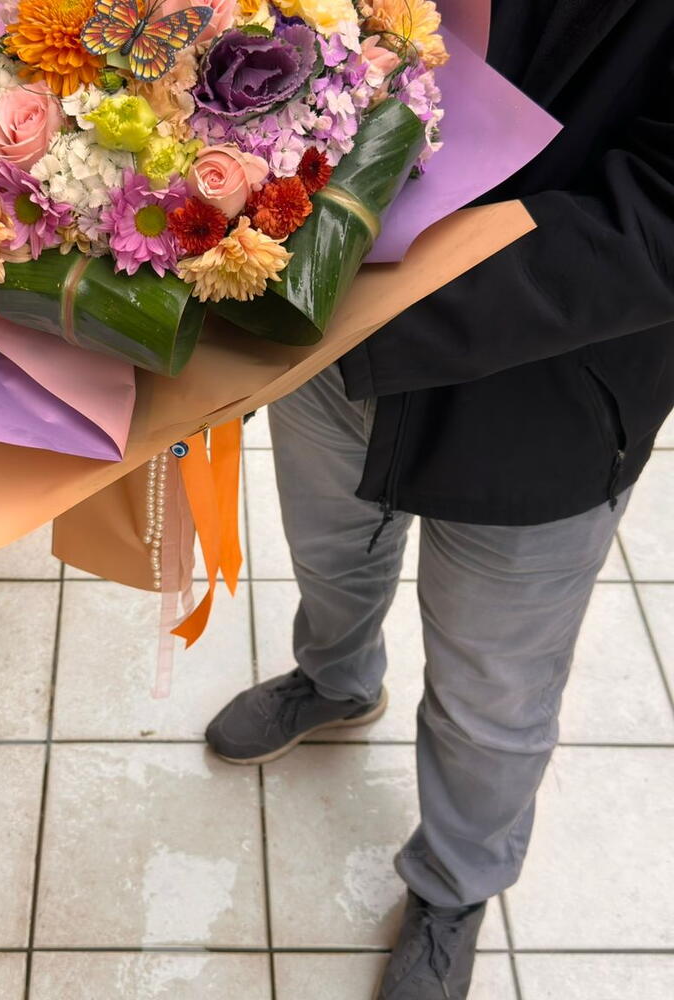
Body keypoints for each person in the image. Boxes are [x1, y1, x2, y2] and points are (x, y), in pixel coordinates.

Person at [205, 2, 674, 997]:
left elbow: (657, 220)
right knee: (329, 551)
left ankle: (455, 884)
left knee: (493, 690)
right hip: (325, 323)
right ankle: (335, 679)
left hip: (551, 387)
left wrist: (376, 299)